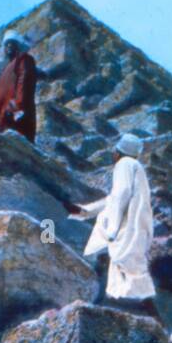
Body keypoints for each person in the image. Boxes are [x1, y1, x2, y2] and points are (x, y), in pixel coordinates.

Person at [68, 133, 156, 313]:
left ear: (119, 152)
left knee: (114, 263)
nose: (113, 155)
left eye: (115, 151)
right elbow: (113, 198)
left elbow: (121, 194)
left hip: (125, 228)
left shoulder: (124, 165)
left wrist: (112, 230)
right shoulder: (135, 167)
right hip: (134, 227)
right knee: (124, 269)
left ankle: (97, 305)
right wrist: (87, 211)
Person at [0, 30, 38, 143]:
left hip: (14, 112)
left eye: (12, 43)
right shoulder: (6, 68)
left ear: (18, 46)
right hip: (2, 113)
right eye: (6, 44)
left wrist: (18, 106)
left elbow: (24, 82)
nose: (8, 46)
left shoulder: (24, 59)